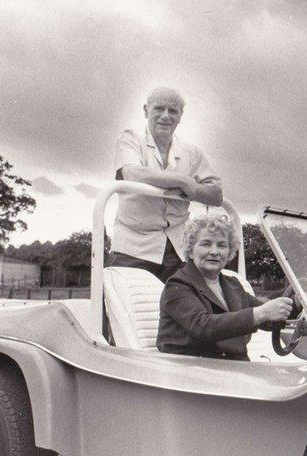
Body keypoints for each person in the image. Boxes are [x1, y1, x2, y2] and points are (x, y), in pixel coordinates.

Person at [110, 87, 224, 282]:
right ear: (146, 110)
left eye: (173, 111)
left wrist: (194, 190)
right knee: (125, 307)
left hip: (177, 251)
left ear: (181, 116)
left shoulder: (192, 152)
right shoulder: (130, 139)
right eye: (159, 109)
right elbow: (131, 172)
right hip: (133, 248)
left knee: (184, 309)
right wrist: (182, 181)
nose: (166, 116)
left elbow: (216, 195)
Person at [156, 212, 295, 360]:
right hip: (191, 371)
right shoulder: (177, 285)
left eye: (222, 245)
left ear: (229, 252)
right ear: (190, 251)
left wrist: (296, 304)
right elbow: (203, 327)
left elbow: (269, 319)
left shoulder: (232, 284)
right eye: (206, 244)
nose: (214, 252)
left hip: (232, 368)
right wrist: (260, 313)